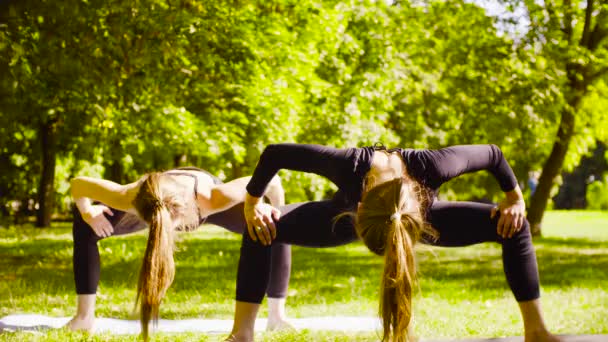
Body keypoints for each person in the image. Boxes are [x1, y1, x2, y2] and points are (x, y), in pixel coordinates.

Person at [227, 143, 560, 342]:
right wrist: (253, 204)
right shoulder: (348, 165)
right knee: (259, 227)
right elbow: (275, 154)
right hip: (338, 216)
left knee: (513, 225)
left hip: (417, 216)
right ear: (359, 208)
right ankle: (242, 333)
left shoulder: (433, 166)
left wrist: (515, 200)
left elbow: (493, 154)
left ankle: (536, 330)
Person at [67, 167, 292, 340]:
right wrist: (87, 212)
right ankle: (84, 318)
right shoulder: (128, 196)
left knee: (276, 224)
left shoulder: (215, 197)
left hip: (197, 191)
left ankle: (277, 316)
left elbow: (273, 181)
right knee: (84, 224)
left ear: (187, 217)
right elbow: (78, 185)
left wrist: (261, 207)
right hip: (158, 192)